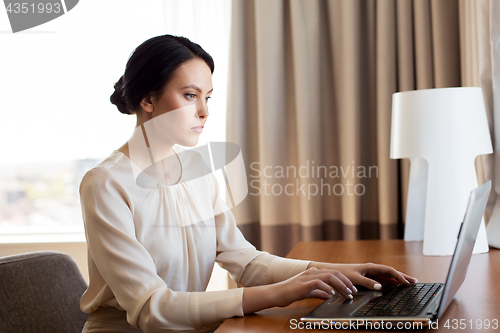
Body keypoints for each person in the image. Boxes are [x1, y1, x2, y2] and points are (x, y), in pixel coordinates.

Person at [79, 34, 417, 333]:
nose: (204, 112)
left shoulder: (198, 172)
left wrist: (337, 271)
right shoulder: (105, 183)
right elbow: (152, 308)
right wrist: (281, 293)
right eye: (189, 95)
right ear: (148, 100)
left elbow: (246, 261)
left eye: (207, 97)